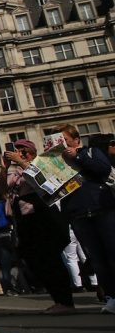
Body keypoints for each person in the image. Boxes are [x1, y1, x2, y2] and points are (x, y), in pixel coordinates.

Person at [0, 138, 74, 314]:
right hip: (25, 220)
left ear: (32, 153)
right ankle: (58, 299)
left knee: (51, 259)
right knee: (34, 261)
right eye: (17, 150)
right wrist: (4, 168)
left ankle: (65, 301)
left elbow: (45, 181)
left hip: (43, 217)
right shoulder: (16, 173)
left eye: (23, 151)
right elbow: (2, 188)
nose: (19, 153)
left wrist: (21, 162)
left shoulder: (41, 164)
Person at [57, 127, 115, 314]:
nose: (62, 144)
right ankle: (111, 296)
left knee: (112, 253)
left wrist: (78, 156)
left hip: (101, 209)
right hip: (78, 214)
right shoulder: (57, 163)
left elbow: (104, 168)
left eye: (65, 140)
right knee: (97, 260)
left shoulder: (90, 152)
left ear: (76, 139)